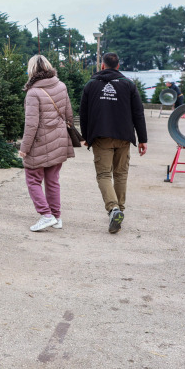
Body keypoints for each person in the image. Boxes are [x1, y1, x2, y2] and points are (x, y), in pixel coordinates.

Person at [80, 53, 148, 234]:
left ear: (103, 66)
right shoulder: (128, 85)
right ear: (118, 66)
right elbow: (138, 113)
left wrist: (85, 135)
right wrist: (143, 139)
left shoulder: (91, 84)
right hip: (124, 136)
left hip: (101, 137)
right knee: (120, 174)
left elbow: (84, 113)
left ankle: (113, 209)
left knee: (103, 174)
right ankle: (119, 210)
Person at [18, 55, 76, 232]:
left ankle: (46, 215)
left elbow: (31, 124)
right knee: (53, 180)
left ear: (32, 70)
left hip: (39, 142)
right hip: (58, 140)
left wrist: (24, 148)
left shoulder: (33, 92)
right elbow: (69, 115)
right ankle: (56, 217)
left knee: (33, 179)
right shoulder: (61, 85)